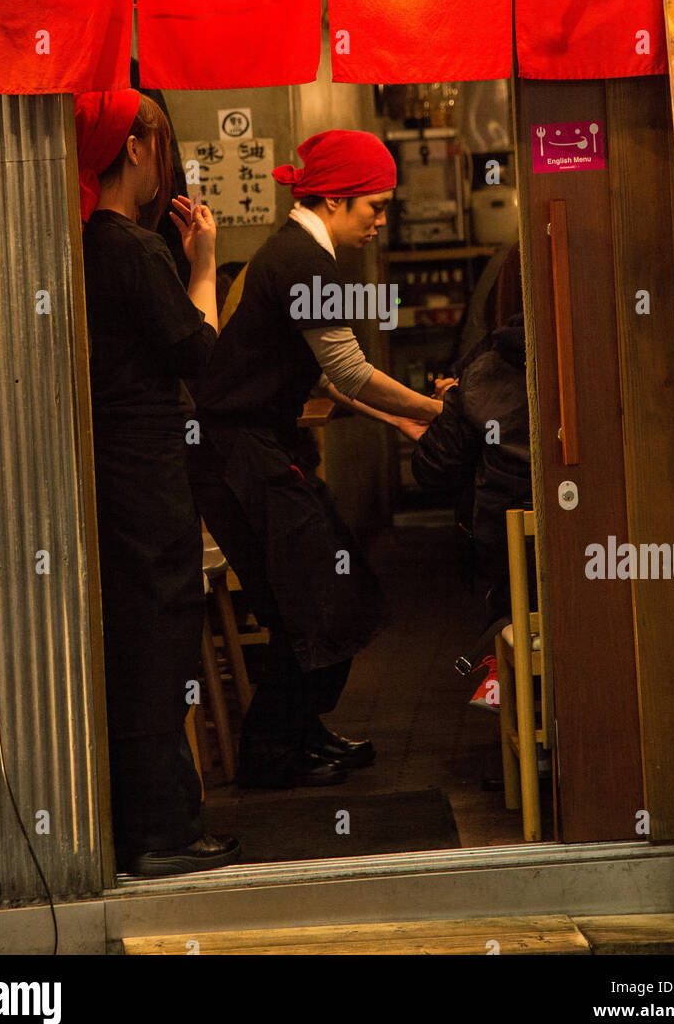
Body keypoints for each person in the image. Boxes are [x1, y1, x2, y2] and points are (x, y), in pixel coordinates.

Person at [188, 128, 443, 789]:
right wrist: (438, 411)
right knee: (313, 601)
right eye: (373, 207)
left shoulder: (303, 253)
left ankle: (302, 732)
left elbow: (328, 379)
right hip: (236, 456)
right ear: (332, 199)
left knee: (333, 592)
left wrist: (404, 420)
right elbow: (352, 371)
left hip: (259, 450)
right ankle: (272, 754)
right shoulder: (302, 259)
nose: (381, 222)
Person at [76, 89, 240, 877]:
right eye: (162, 145)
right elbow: (202, 357)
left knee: (143, 633)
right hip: (144, 469)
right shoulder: (133, 249)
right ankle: (159, 835)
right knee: (159, 633)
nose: (165, 162)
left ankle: (156, 825)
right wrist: (204, 262)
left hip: (117, 466)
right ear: (137, 147)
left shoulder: (88, 242)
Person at [411, 245, 532, 640]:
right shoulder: (612, 357)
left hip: (512, 578)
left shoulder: (485, 369)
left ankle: (502, 681)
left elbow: (433, 471)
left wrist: (454, 404)